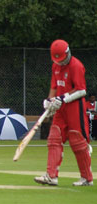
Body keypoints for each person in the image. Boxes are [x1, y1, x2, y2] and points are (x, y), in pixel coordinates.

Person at [34, 39, 93, 186]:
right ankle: (51, 176)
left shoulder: (76, 65)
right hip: (60, 108)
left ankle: (87, 178)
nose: (61, 63)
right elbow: (54, 86)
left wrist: (63, 98)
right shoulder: (56, 66)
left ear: (68, 53)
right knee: (54, 138)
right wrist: (49, 101)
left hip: (75, 107)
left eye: (63, 59)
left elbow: (81, 90)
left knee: (77, 142)